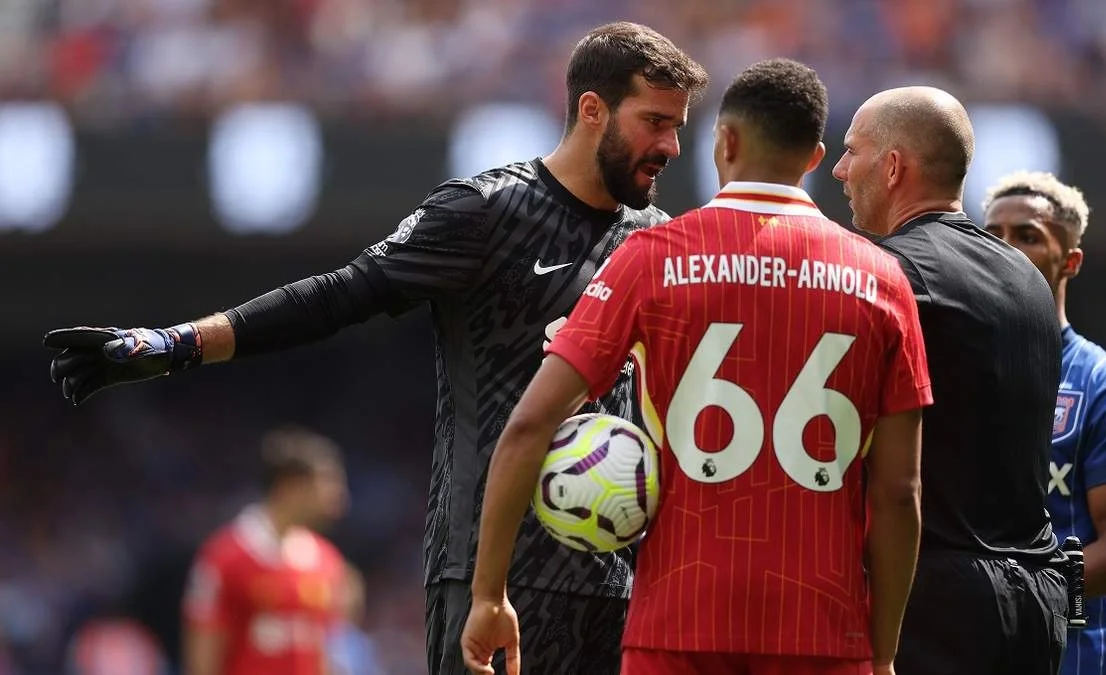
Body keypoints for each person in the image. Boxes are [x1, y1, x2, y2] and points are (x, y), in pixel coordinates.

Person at [43, 21, 709, 675]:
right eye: (655, 121)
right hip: (491, 575)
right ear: (593, 110)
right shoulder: (485, 211)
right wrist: (177, 342)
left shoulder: (654, 241)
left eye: (679, 125)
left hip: (616, 579)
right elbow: (338, 296)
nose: (674, 145)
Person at [461, 58, 930, 675]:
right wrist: (885, 651)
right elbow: (899, 494)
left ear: (726, 141)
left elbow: (527, 428)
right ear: (815, 157)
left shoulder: (648, 259)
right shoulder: (882, 278)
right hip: (823, 631)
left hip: (678, 624)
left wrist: (489, 595)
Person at [831, 86, 1069, 674]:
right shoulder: (1029, 279)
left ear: (892, 167)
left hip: (937, 603)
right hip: (1037, 601)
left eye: (850, 151)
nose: (838, 169)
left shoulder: (889, 275)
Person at [982, 171, 1106, 675]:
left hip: (1062, 657)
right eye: (992, 234)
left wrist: (1019, 595)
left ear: (1070, 261)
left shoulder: (1105, 383)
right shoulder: (949, 366)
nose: (1005, 248)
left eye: (1027, 236)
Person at [182, 426, 349, 675]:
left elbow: (326, 653)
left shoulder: (327, 561)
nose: (338, 494)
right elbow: (202, 657)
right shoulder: (225, 557)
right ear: (289, 486)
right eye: (326, 481)